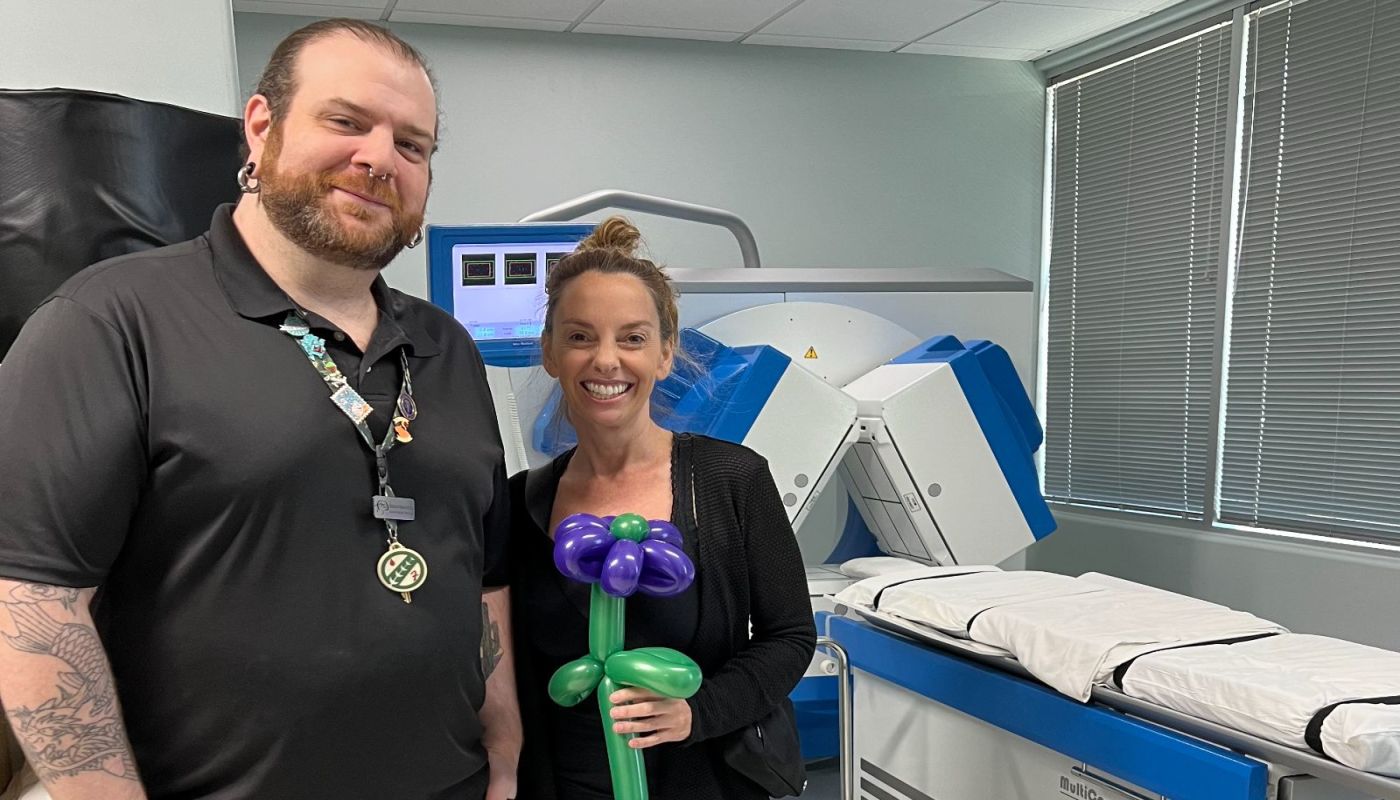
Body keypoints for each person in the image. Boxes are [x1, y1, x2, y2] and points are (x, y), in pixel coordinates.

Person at [0, 19, 520, 800]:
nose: (379, 157)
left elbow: (484, 576)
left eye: (413, 146)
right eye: (346, 121)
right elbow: (33, 605)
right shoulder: (111, 322)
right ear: (260, 126)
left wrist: (504, 744)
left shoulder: (448, 348)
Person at [508, 217, 817, 799]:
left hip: (700, 781)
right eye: (580, 337)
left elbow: (791, 636)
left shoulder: (732, 480)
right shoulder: (520, 502)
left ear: (665, 354)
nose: (606, 360)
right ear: (549, 352)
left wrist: (699, 712)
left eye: (632, 338)